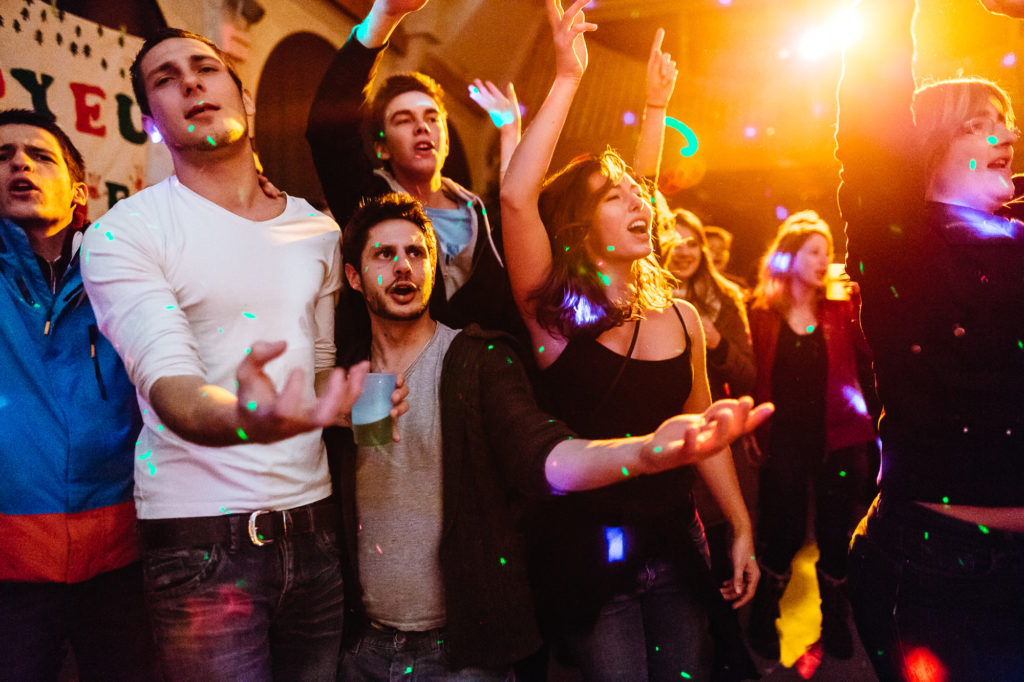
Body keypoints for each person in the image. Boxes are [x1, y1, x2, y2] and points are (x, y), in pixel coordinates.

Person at [333, 192, 773, 680]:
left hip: (459, 649)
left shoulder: (475, 362)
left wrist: (644, 454)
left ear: (433, 268)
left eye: (416, 252)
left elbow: (542, 454)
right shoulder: (350, 376)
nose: (403, 266)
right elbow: (375, 480)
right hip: (365, 648)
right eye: (384, 254)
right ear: (353, 276)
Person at [81, 29, 386, 681]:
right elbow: (172, 387)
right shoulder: (124, 232)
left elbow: (320, 370)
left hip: (315, 531)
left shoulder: (317, 230)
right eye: (165, 79)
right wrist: (245, 419)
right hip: (201, 546)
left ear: (243, 97)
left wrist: (355, 404)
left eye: (204, 67)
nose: (190, 82)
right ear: (149, 122)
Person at [500, 2, 759, 679]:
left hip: (678, 546)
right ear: (581, 227)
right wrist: (567, 77)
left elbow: (704, 430)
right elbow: (518, 199)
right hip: (588, 559)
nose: (639, 202)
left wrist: (739, 525)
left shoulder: (681, 318)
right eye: (612, 198)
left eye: (637, 196)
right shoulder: (555, 316)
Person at [837, 0, 1024, 679]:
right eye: (978, 124)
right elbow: (872, 105)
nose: (1006, 134)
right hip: (943, 569)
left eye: (1006, 120)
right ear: (926, 151)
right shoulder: (902, 243)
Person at [0, 109, 155, 681]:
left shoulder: (124, 275)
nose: (19, 164)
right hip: (8, 576)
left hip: (120, 564)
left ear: (79, 191)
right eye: (3, 157)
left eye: (40, 156)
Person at [306, 0, 521, 340]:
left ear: (446, 141)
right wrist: (385, 15)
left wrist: (509, 134)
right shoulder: (371, 204)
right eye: (403, 120)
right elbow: (327, 133)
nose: (422, 127)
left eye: (432, 118)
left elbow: (519, 215)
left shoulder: (477, 214)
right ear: (382, 147)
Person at [743, 211, 875, 662]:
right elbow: (750, 374)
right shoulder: (761, 313)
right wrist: (751, 424)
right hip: (784, 437)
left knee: (836, 532)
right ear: (789, 256)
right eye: (814, 251)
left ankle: (834, 616)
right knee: (783, 531)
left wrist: (864, 298)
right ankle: (765, 615)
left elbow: (871, 349)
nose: (823, 260)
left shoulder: (841, 307)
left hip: (840, 435)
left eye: (827, 252)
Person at [661, 208, 758, 588]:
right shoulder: (644, 302)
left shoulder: (725, 298)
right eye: (675, 243)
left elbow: (748, 375)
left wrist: (715, 342)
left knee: (721, 546)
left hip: (715, 440)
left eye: (692, 243)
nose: (684, 251)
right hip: (666, 440)